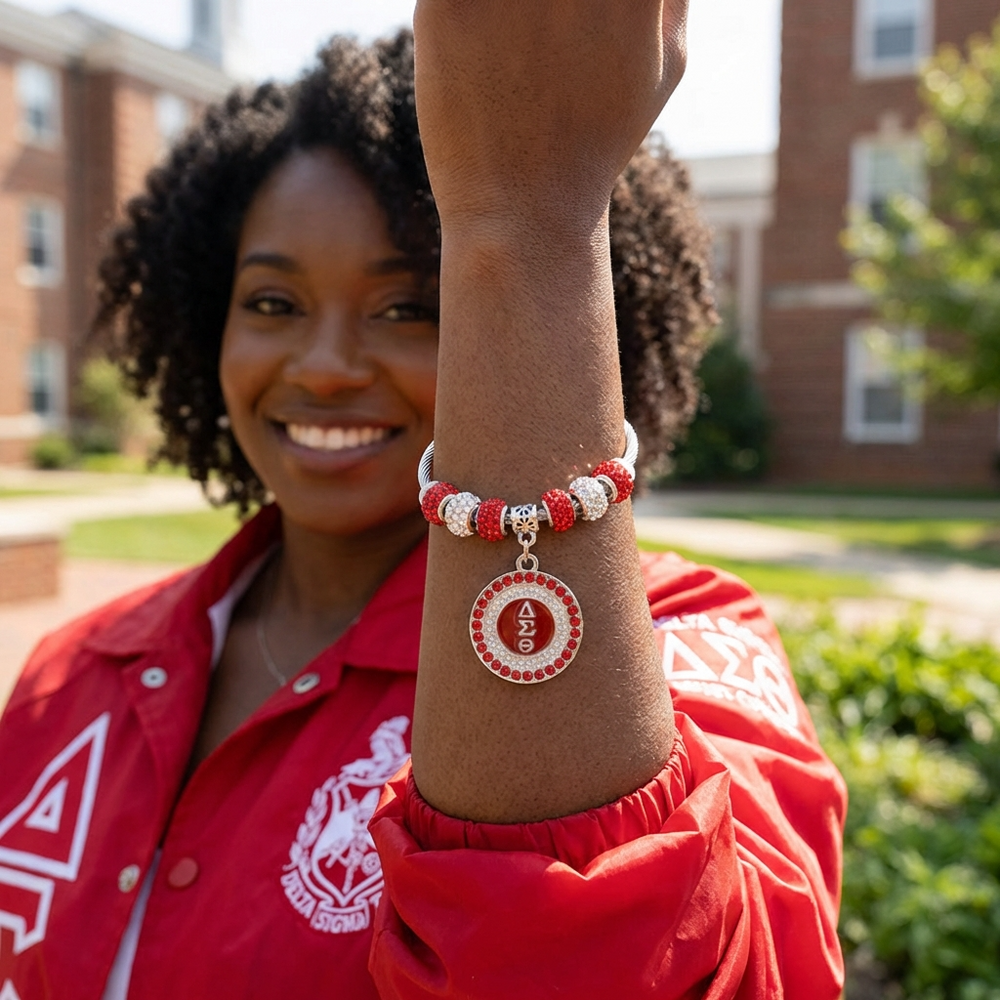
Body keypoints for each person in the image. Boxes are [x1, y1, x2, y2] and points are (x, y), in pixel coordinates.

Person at [0, 4, 846, 999]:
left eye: (412, 307)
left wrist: (525, 225)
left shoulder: (678, 655)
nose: (321, 368)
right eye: (272, 304)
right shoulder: (81, 669)